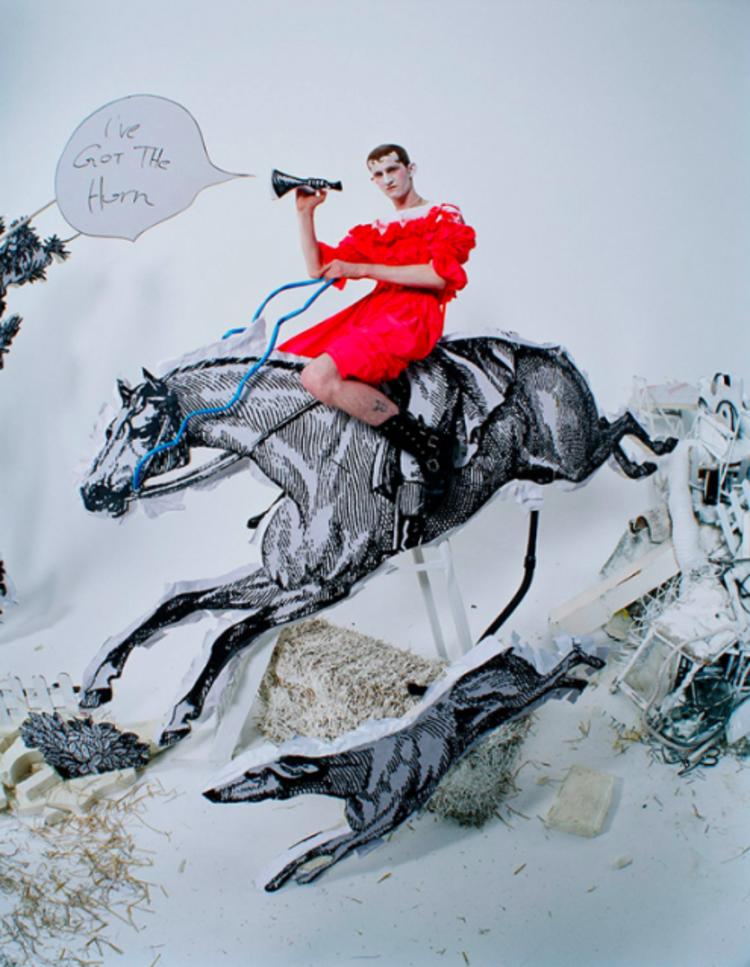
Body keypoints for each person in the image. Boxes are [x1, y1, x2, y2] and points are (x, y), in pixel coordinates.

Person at [278, 143, 476, 491]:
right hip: (375, 311)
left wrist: (364, 268)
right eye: (378, 174)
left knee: (319, 376)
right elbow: (317, 269)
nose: (387, 179)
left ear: (410, 169)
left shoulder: (442, 215)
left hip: (412, 314)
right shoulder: (378, 229)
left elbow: (438, 276)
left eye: (392, 169)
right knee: (296, 369)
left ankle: (427, 445)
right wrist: (305, 214)